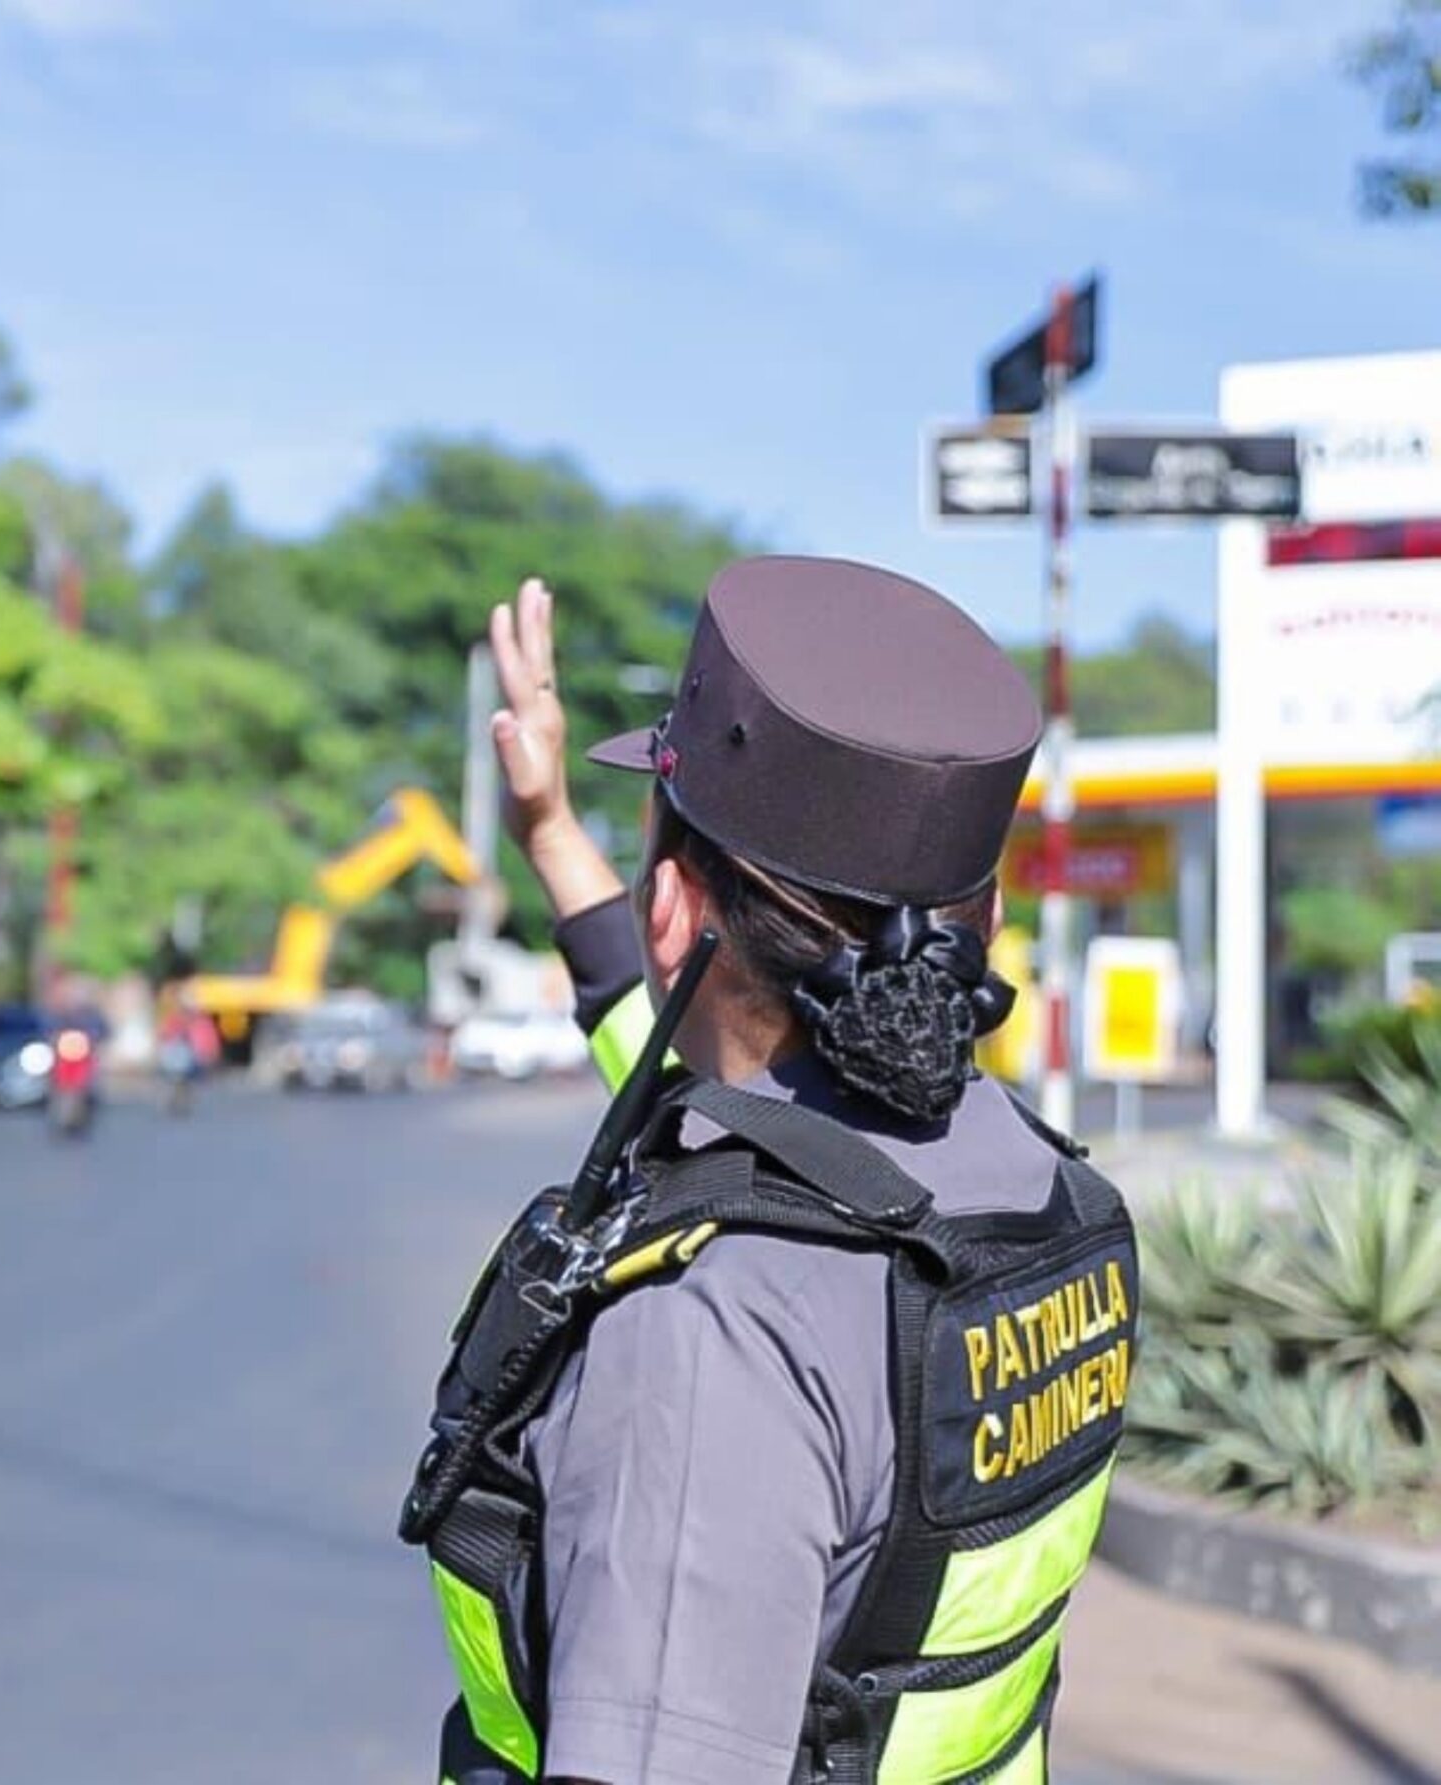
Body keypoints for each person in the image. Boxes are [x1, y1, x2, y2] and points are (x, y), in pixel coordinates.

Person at [404, 558, 1139, 1785]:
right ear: (985, 920)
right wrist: (548, 834)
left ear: (676, 914)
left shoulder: (713, 1330)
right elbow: (671, 1057)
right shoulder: (1035, 1196)